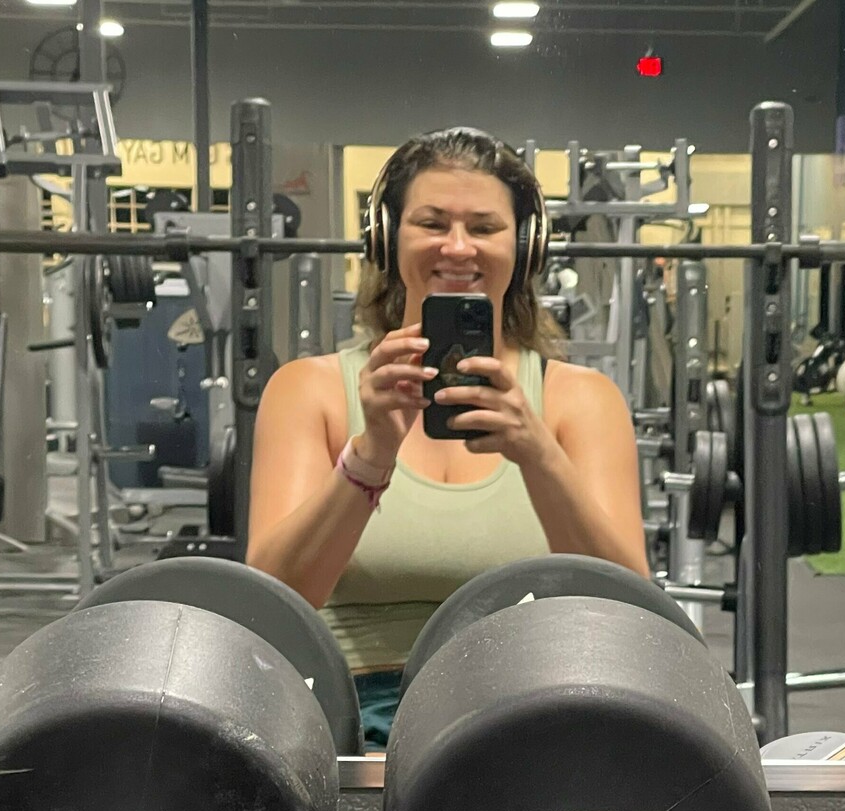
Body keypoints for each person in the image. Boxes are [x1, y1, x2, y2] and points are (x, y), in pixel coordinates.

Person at [246, 128, 648, 746]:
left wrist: (537, 454)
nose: (457, 247)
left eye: (484, 227)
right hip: (349, 724)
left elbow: (633, 610)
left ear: (525, 248)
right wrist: (370, 457)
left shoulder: (582, 401)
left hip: (528, 716)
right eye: (432, 223)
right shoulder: (309, 391)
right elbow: (272, 608)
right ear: (387, 239)